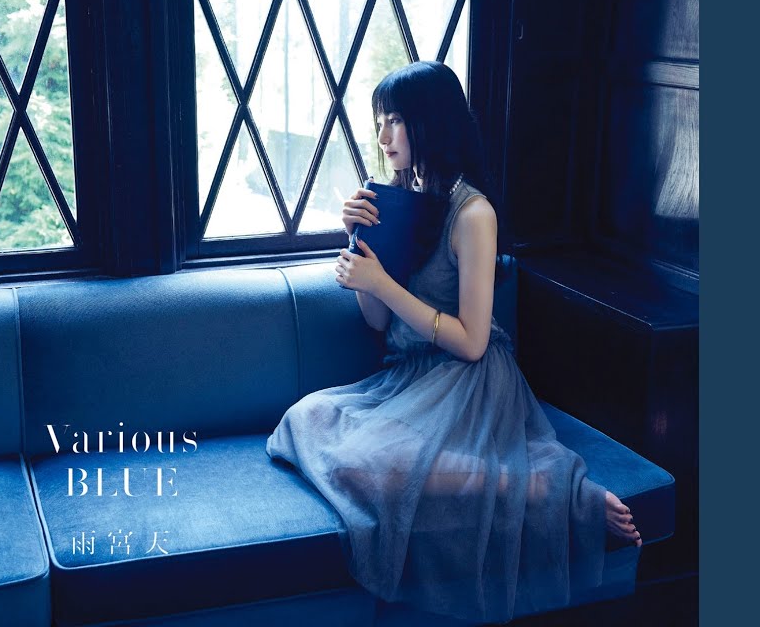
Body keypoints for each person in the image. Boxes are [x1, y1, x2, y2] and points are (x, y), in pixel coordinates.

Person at [265, 61, 640, 624]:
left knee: (375, 464)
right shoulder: (398, 198)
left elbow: (471, 341)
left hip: (467, 380)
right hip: (406, 375)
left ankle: (544, 489)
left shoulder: (473, 213)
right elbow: (377, 321)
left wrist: (381, 282)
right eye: (380, 121)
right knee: (307, 418)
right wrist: (359, 245)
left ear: (432, 124)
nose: (383, 136)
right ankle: (501, 480)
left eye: (396, 120)